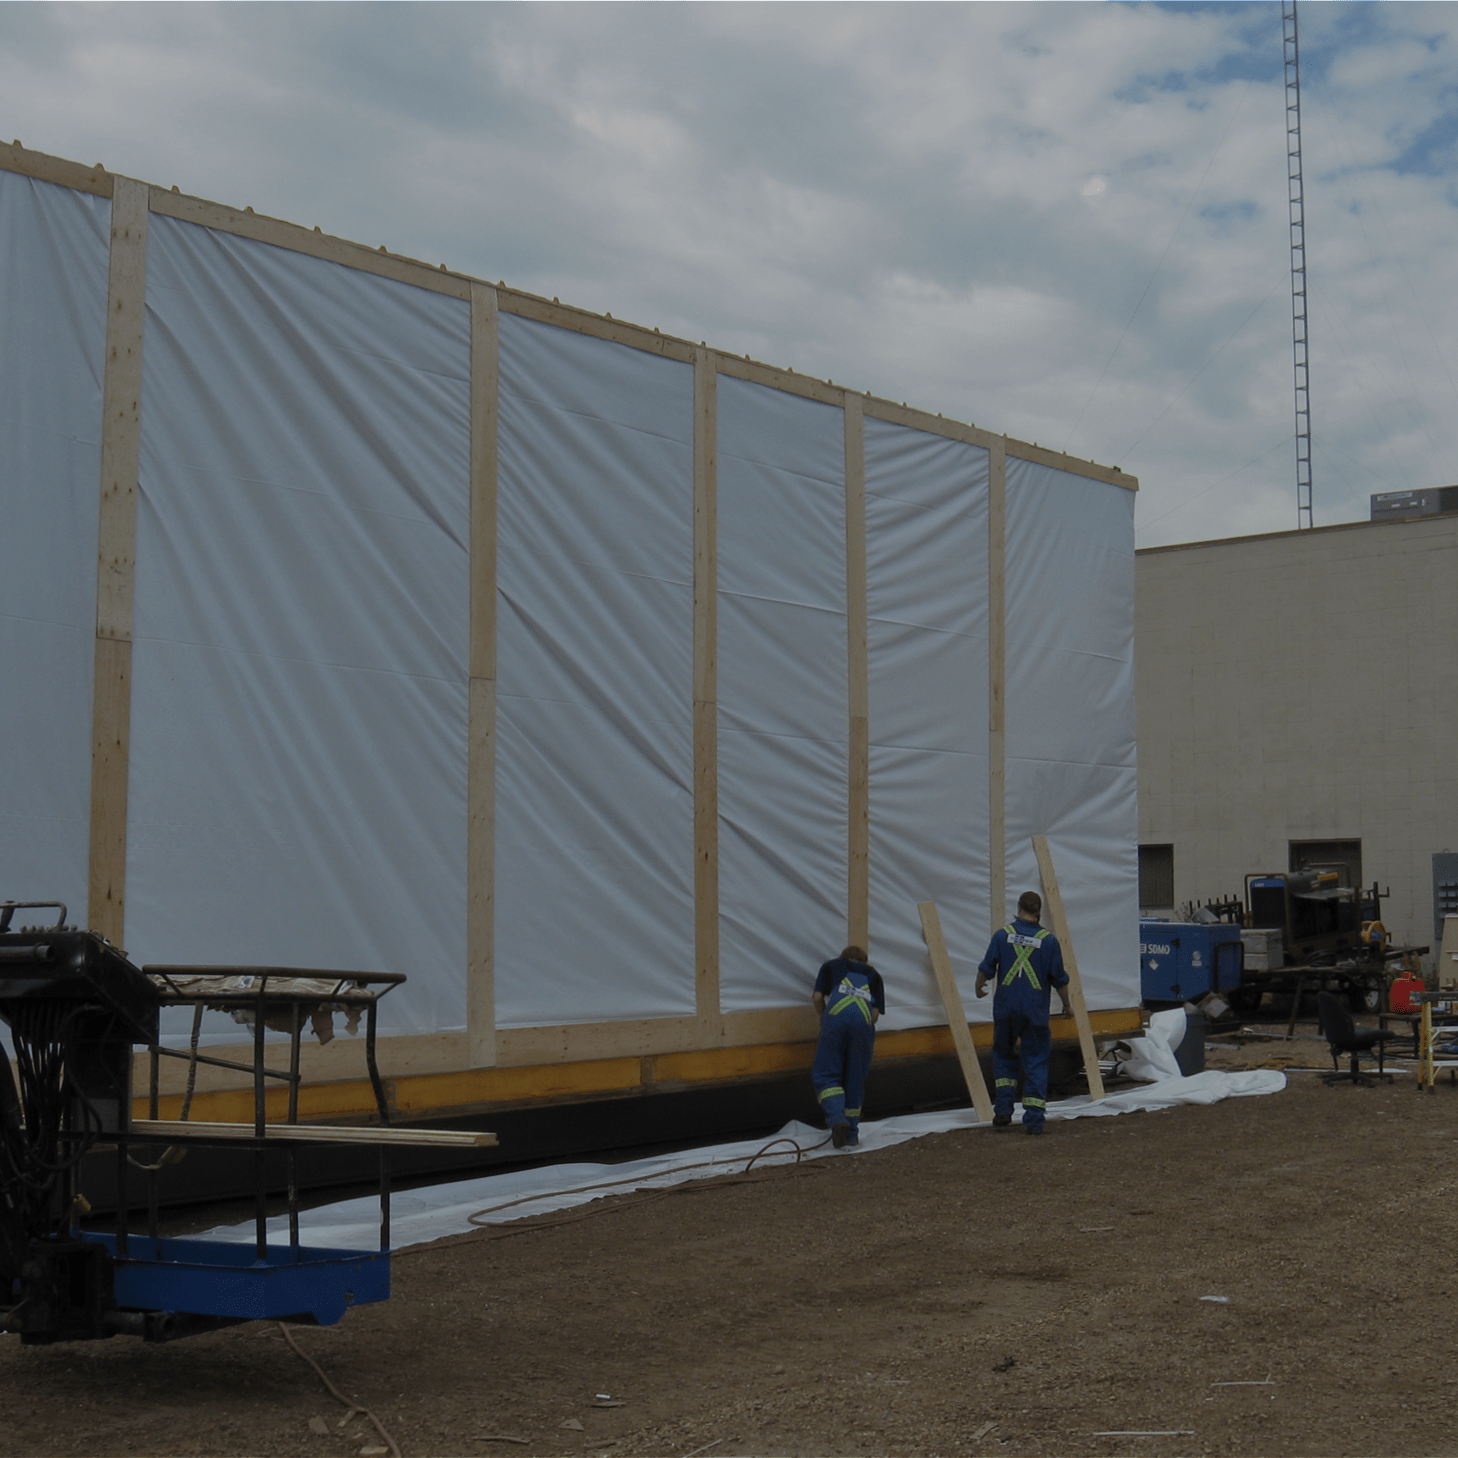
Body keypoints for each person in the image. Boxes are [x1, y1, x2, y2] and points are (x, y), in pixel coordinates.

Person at [976, 892, 1070, 1136]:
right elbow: (1059, 978)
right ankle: (1034, 1120)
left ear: (1019, 907)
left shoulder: (1002, 935)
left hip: (1005, 1009)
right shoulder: (1049, 941)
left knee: (1003, 1055)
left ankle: (1002, 1112)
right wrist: (1067, 1005)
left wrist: (979, 985)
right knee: (1036, 1059)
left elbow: (986, 968)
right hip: (1035, 1012)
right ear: (1039, 911)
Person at [810, 945, 885, 1149]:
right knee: (855, 1077)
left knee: (826, 1074)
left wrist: (825, 1019)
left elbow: (817, 998)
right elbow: (875, 1015)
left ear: (843, 957)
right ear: (864, 961)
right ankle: (851, 1134)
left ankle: (837, 1119)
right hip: (864, 1022)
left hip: (836, 1018)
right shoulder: (874, 975)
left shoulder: (831, 967)